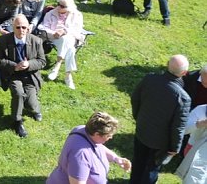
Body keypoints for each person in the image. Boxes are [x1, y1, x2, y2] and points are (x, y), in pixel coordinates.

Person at [130, 55, 191, 184]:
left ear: (167, 64)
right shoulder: (183, 98)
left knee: (138, 161)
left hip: (142, 130)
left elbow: (135, 99)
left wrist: (138, 117)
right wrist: (175, 148)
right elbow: (178, 127)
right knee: (151, 169)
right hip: (161, 142)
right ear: (184, 73)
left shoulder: (149, 79)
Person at [0, 14, 46, 138]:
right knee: (18, 94)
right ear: (13, 27)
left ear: (28, 28)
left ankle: (35, 109)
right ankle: (17, 121)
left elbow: (42, 61)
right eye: (18, 27)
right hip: (13, 75)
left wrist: (28, 64)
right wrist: (14, 66)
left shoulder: (36, 41)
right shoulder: (4, 40)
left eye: (24, 27)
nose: (21, 30)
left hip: (30, 75)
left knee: (31, 104)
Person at [47, 111, 132, 184]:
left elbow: (99, 147)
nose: (111, 138)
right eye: (108, 136)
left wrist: (116, 158)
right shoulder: (80, 155)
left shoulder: (83, 130)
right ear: (97, 134)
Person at [37, 0, 83, 90]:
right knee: (70, 48)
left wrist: (65, 31)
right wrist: (54, 33)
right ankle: (68, 76)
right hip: (54, 38)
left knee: (67, 40)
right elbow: (43, 27)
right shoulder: (50, 13)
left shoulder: (77, 15)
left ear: (68, 7)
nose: (59, 7)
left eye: (62, 6)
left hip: (71, 38)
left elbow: (78, 30)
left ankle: (57, 67)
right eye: (58, 4)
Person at [175, 101, 207, 184]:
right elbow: (184, 129)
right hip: (193, 150)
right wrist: (200, 124)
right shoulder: (201, 109)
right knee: (192, 178)